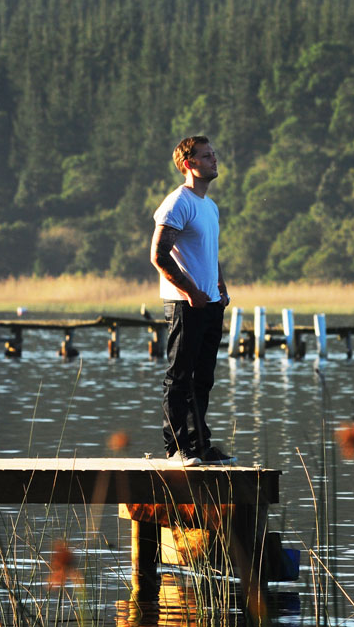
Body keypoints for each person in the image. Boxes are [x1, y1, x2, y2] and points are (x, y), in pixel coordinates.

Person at [150, 135, 236, 466]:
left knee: (204, 378)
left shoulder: (209, 206)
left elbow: (209, 254)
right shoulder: (177, 203)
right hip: (185, 304)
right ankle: (175, 448)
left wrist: (220, 287)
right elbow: (158, 255)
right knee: (179, 376)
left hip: (211, 303)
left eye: (214, 154)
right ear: (190, 164)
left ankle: (201, 445)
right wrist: (190, 292)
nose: (214, 159)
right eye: (207, 156)